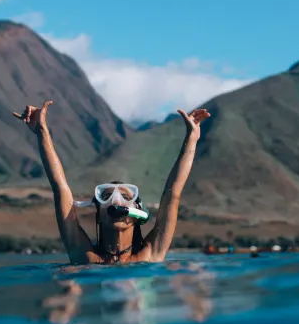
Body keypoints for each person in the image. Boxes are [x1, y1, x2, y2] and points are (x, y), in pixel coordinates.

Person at [13, 100, 211, 265]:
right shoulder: (84, 256)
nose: (116, 201)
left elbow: (173, 194)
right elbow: (60, 188)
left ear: (137, 213)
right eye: (106, 196)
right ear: (98, 212)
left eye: (126, 196)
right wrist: (42, 133)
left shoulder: (151, 254)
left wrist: (192, 138)